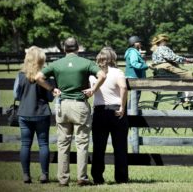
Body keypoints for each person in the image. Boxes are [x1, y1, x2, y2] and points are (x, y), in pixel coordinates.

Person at [35, 37, 106, 187]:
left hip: (63, 105)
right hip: (80, 105)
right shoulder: (86, 63)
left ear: (64, 49)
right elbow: (102, 75)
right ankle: (82, 178)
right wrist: (93, 89)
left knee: (63, 144)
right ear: (78, 48)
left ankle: (63, 179)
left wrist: (52, 88)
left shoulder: (56, 64)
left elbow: (38, 77)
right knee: (82, 143)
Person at [13, 46, 54, 184]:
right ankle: (44, 175)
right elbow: (50, 98)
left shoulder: (20, 75)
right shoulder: (45, 76)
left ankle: (26, 175)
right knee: (43, 144)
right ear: (41, 60)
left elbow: (16, 95)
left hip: (24, 112)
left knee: (25, 144)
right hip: (42, 113)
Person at [90, 47, 129, 185]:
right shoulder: (118, 72)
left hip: (99, 111)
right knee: (120, 146)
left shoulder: (93, 74)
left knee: (98, 147)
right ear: (113, 58)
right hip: (116, 111)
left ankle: (97, 177)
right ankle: (121, 178)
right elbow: (123, 87)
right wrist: (123, 107)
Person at [124, 36, 149, 109]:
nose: (140, 43)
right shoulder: (133, 52)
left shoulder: (131, 51)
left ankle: (130, 113)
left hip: (133, 77)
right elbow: (134, 63)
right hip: (135, 78)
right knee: (135, 98)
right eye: (139, 42)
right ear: (135, 43)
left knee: (133, 98)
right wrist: (146, 65)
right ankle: (132, 115)